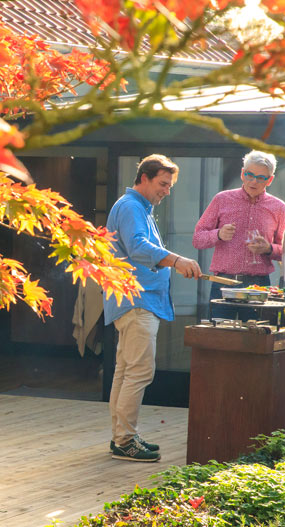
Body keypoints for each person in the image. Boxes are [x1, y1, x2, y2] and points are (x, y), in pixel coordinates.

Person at [103, 154, 201, 462]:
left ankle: (122, 436)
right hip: (136, 301)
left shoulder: (138, 207)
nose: (166, 191)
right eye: (162, 184)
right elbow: (138, 248)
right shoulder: (131, 207)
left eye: (169, 186)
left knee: (126, 369)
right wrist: (177, 260)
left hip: (134, 300)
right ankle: (124, 439)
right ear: (143, 178)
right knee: (140, 371)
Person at [193, 150, 285, 306]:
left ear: (269, 180)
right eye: (249, 175)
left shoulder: (278, 207)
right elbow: (197, 239)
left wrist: (269, 248)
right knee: (221, 330)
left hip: (259, 287)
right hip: (223, 283)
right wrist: (218, 234)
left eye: (260, 178)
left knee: (255, 330)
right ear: (242, 173)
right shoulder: (222, 199)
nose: (253, 182)